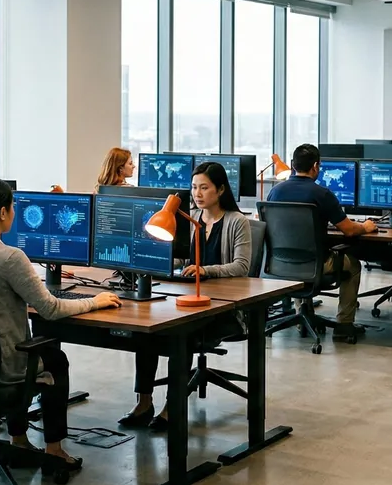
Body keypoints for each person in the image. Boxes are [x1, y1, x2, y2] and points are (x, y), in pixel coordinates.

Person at [0, 177, 122, 467]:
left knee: (26, 347)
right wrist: (96, 301)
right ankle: (53, 450)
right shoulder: (9, 257)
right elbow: (50, 309)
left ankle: (19, 439)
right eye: (13, 207)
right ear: (3, 213)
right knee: (54, 358)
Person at [120, 162, 251, 431]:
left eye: (204, 187)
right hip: (186, 298)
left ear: (221, 189)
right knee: (147, 331)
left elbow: (242, 266)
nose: (197, 193)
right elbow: (179, 256)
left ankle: (172, 406)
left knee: (182, 335)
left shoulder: (237, 222)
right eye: (194, 187)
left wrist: (205, 270)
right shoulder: (190, 219)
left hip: (222, 307)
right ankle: (144, 403)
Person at [266, 144, 377, 339]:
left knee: (299, 257)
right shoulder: (322, 194)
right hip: (317, 264)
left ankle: (302, 317)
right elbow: (349, 230)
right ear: (316, 166)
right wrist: (366, 227)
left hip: (281, 263)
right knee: (353, 266)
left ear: (292, 165)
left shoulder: (275, 192)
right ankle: (344, 325)